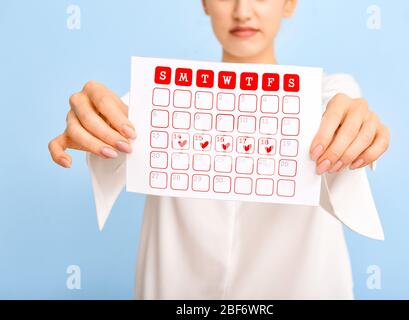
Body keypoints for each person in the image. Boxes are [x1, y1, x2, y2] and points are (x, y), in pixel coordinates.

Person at [48, 0, 390, 299]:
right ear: (204, 2)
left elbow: (344, 107)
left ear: (289, 3)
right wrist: (90, 119)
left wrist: (358, 124)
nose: (242, 11)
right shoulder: (157, 100)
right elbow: (112, 122)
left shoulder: (327, 96)